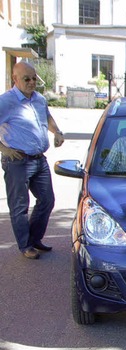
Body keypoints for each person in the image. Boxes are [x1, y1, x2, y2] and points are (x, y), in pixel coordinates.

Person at [0, 61, 65, 260]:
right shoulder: (6, 101)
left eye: (34, 78)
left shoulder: (39, 99)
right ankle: (25, 245)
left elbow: (47, 117)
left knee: (47, 200)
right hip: (17, 161)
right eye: (26, 79)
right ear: (15, 79)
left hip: (39, 159)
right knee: (20, 206)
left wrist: (57, 132)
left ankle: (35, 239)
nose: (31, 82)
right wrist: (4, 149)